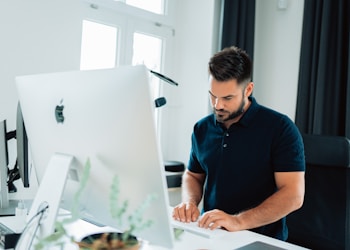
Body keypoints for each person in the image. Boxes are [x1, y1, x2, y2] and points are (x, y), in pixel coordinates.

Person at [172, 46, 305, 241]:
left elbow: (293, 195)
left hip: (261, 240)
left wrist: (238, 221)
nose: (217, 105)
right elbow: (193, 174)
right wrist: (189, 202)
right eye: (213, 95)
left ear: (248, 89)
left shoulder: (280, 128)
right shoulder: (202, 128)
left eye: (227, 98)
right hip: (211, 234)